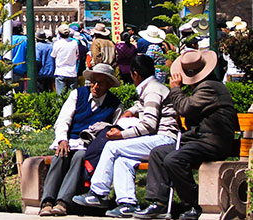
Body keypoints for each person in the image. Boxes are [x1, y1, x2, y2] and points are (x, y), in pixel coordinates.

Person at [138, 50, 240, 220]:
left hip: (212, 142)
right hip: (199, 140)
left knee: (174, 160)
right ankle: (159, 203)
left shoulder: (210, 87)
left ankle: (194, 204)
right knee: (158, 153)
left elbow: (185, 108)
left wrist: (176, 89)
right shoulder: (204, 86)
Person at [74, 55, 180, 217]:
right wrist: (131, 110)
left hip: (164, 140)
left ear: (134, 74)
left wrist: (121, 135)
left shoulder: (152, 90)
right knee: (123, 159)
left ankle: (98, 193)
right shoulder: (152, 87)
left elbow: (149, 125)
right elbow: (144, 105)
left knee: (112, 146)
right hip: (158, 139)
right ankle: (127, 203)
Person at [39, 63, 123, 217]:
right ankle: (47, 201)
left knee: (80, 157)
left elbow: (113, 131)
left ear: (109, 85)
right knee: (60, 155)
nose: (96, 87)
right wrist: (62, 140)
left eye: (101, 83)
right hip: (70, 140)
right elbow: (63, 120)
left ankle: (63, 202)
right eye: (94, 82)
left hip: (91, 148)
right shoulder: (77, 94)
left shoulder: (115, 105)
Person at [52, 24, 80, 94]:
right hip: (72, 72)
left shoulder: (57, 44)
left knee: (61, 96)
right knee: (73, 96)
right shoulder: (74, 43)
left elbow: (53, 55)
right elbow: (77, 54)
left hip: (60, 72)